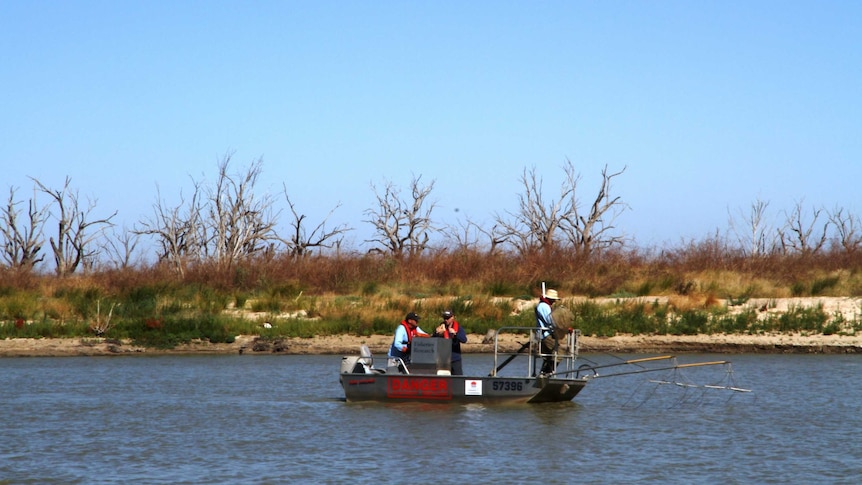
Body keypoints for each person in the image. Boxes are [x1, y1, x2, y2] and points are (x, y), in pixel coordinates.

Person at [535, 288, 560, 376]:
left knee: (548, 356)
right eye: (553, 300)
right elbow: (550, 320)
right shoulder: (543, 306)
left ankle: (544, 373)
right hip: (545, 334)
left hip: (546, 334)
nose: (554, 302)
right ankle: (548, 372)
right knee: (559, 352)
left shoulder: (545, 306)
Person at [434, 310, 468, 375]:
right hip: (443, 360)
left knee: (458, 379)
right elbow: (433, 340)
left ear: (452, 317)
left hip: (455, 359)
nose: (446, 320)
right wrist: (437, 334)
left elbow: (464, 340)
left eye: (448, 318)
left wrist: (455, 334)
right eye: (445, 318)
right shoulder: (440, 328)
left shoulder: (458, 328)